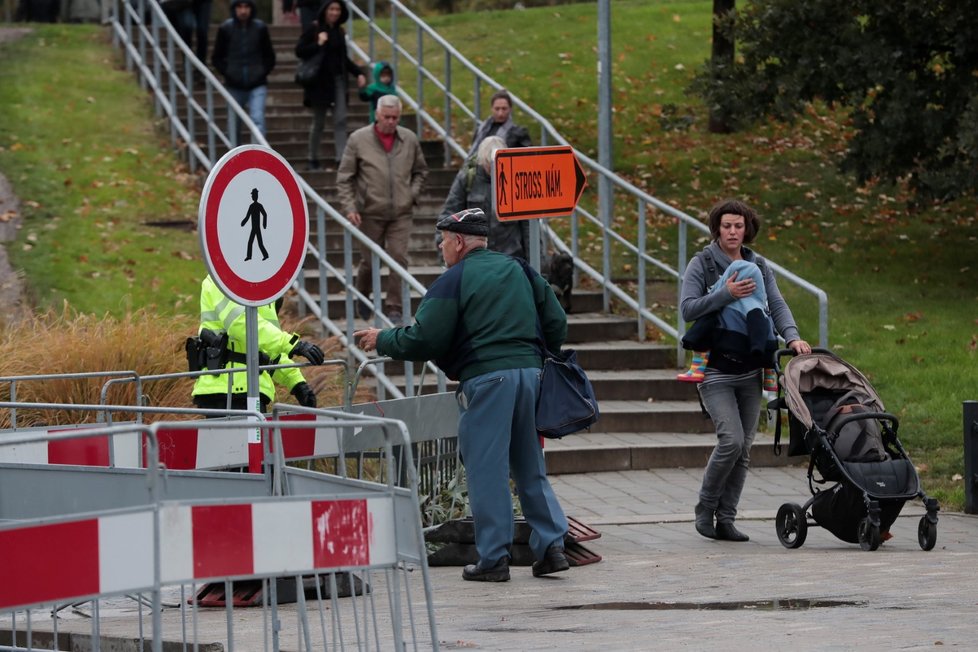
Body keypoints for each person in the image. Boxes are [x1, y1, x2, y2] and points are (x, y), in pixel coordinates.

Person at [354, 208, 571, 582]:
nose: (440, 247)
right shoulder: (520, 270)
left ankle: (493, 558)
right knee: (529, 465)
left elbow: (427, 338)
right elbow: (557, 322)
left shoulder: (453, 280)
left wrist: (383, 339)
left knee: (486, 469)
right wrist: (533, 355)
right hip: (529, 376)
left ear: (458, 242)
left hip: (488, 380)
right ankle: (552, 546)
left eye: (443, 240)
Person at [679, 199, 811, 542]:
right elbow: (688, 309)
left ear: (746, 228)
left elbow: (776, 304)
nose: (733, 232)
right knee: (731, 441)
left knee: (745, 449)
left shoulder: (758, 264)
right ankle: (704, 508)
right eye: (726, 226)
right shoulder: (703, 263)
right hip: (715, 371)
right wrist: (726, 293)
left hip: (751, 371)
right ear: (717, 229)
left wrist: (793, 338)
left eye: (738, 226)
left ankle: (726, 518)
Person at [336, 94, 428, 324]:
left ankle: (394, 305)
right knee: (368, 261)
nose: (390, 121)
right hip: (370, 211)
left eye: (395, 117)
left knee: (398, 257)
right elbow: (345, 177)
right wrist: (350, 207)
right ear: (377, 115)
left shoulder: (409, 139)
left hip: (401, 212)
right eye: (386, 117)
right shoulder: (358, 139)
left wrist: (412, 194)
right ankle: (363, 295)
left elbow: (420, 171)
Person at [191, 275, 325, 412]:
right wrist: (291, 344)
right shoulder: (220, 277)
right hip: (223, 389)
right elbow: (240, 323)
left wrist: (296, 382)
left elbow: (268, 345)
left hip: (252, 390)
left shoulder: (263, 289)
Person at [678, 259, 779, 392]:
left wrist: (757, 347)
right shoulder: (753, 306)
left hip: (743, 353)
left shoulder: (752, 306)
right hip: (724, 363)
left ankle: (697, 368)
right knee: (769, 349)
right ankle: (770, 376)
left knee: (706, 331)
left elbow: (768, 315)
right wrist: (726, 293)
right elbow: (689, 311)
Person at [294, 0, 366, 170]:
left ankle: (341, 159)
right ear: (325, 10)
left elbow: (344, 59)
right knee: (318, 122)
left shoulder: (339, 32)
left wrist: (358, 72)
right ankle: (312, 158)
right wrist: (318, 44)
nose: (334, 13)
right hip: (319, 83)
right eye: (332, 9)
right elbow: (299, 50)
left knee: (340, 120)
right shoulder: (314, 28)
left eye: (338, 9)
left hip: (338, 81)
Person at [438, 135, 530, 260]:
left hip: (510, 258)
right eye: (488, 164)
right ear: (481, 161)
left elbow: (528, 226)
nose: (492, 169)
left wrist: (536, 262)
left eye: (496, 164)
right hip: (476, 258)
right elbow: (449, 215)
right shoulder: (467, 178)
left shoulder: (515, 180)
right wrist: (445, 255)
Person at [212, 0, 277, 139]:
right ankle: (235, 157)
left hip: (257, 83)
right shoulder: (225, 29)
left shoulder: (260, 28)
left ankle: (260, 156)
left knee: (257, 119)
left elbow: (269, 56)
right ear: (234, 9)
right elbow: (217, 57)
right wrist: (228, 73)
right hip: (234, 84)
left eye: (246, 6)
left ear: (251, 8)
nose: (243, 11)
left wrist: (261, 72)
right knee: (233, 124)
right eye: (240, 7)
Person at [467, 89, 531, 158]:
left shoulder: (519, 134)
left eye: (504, 109)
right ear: (491, 109)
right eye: (497, 109)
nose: (500, 113)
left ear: (510, 109)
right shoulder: (481, 129)